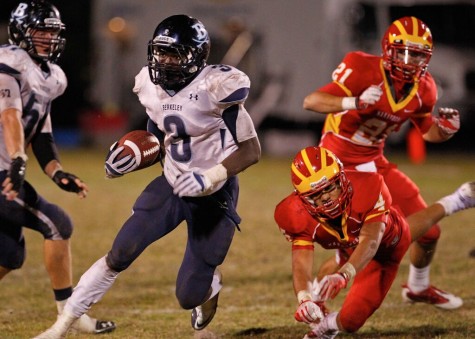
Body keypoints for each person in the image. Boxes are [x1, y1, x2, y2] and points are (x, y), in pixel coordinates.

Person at [34, 13, 261, 338]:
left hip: (214, 194)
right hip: (172, 184)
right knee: (120, 252)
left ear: (197, 55)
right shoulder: (149, 85)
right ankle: (61, 326)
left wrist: (208, 178)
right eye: (160, 52)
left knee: (188, 296)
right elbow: (157, 135)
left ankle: (209, 287)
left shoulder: (217, 86)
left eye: (174, 54)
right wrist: (131, 157)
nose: (165, 61)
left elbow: (251, 151)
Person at [302, 16, 463, 309]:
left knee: (429, 232)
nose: (409, 59)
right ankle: (316, 304)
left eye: (417, 53)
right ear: (387, 49)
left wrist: (446, 131)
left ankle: (418, 287)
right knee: (351, 256)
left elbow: (427, 131)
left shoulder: (424, 88)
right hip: (340, 166)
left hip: (374, 161)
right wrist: (354, 102)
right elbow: (312, 101)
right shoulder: (361, 67)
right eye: (403, 50)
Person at [0, 0, 116, 334]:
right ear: (21, 31)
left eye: (53, 31)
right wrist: (18, 160)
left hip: (7, 168)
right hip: (3, 171)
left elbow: (41, 132)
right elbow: (9, 116)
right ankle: (71, 314)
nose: (49, 38)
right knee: (58, 223)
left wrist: (56, 171)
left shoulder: (51, 76)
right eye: (41, 31)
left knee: (8, 254)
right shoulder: (8, 64)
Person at [274, 146, 475, 338]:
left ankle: (456, 200)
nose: (326, 197)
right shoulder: (292, 213)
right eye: (316, 194)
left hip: (384, 244)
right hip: (348, 241)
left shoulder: (368, 186)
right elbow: (301, 261)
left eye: (330, 187)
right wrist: (304, 298)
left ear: (342, 179)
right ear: (302, 198)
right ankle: (318, 298)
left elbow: (370, 241)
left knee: (351, 321)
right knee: (341, 254)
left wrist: (344, 275)